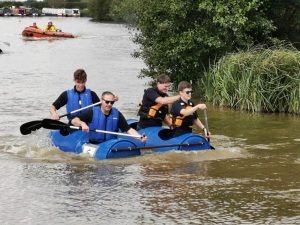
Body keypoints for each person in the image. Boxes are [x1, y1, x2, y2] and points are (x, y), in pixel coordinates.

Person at [71, 91, 147, 144]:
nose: (109, 104)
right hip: (94, 144)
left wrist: (139, 137)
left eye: (112, 102)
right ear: (101, 101)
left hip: (110, 145)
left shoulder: (117, 114)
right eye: (107, 102)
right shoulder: (91, 112)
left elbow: (128, 129)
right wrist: (82, 123)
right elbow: (74, 120)